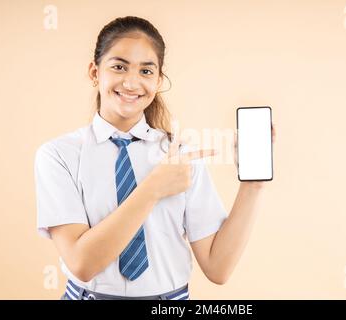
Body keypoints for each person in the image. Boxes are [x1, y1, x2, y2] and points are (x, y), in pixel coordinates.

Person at [34, 16, 275, 300]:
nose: (132, 82)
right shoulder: (58, 155)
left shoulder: (182, 156)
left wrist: (253, 185)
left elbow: (217, 267)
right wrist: (154, 188)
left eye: (146, 71)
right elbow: (82, 264)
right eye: (119, 66)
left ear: (159, 80)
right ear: (95, 72)